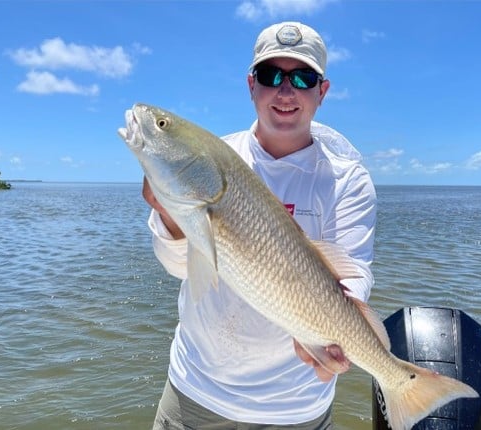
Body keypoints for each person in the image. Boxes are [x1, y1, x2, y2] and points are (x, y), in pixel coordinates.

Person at [144, 21, 377, 430]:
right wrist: (169, 214)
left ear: (321, 92)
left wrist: (334, 340)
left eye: (303, 78)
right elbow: (181, 268)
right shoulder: (211, 160)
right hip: (195, 392)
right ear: (251, 85)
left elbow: (352, 274)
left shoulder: (347, 178)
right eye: (272, 76)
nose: (286, 92)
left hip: (297, 407)